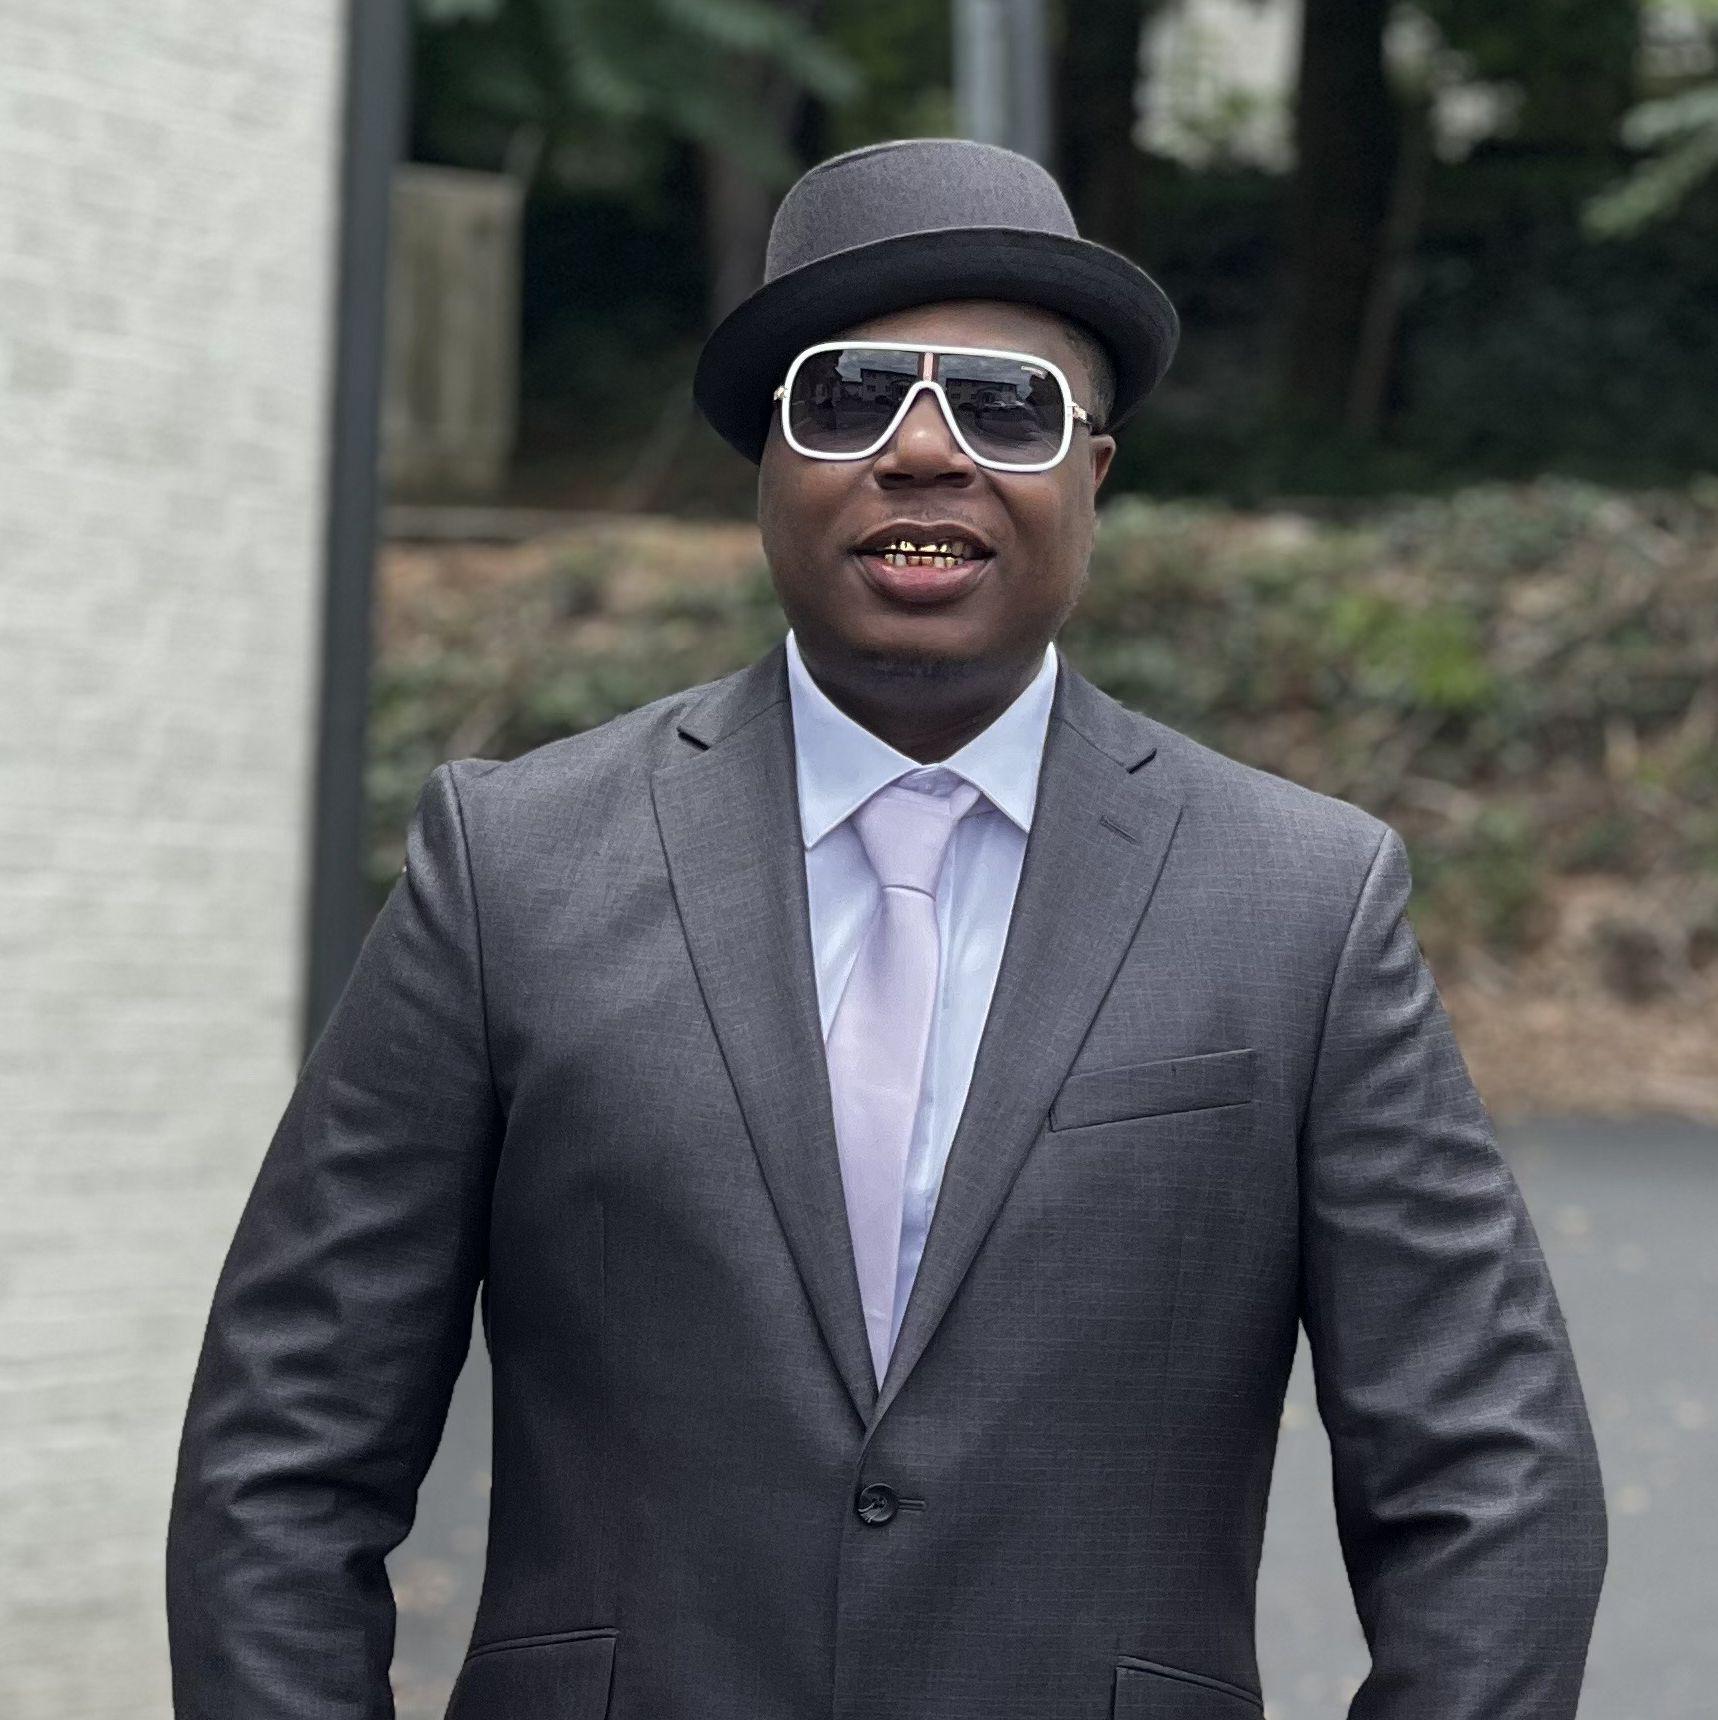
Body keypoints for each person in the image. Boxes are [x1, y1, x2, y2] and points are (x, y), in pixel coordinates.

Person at [166, 137, 1607, 1720]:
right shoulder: (512, 867)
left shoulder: (1301, 902)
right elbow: (283, 1450)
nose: (922, 451)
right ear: (766, 466)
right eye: (848, 399)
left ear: (1092, 474)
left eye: (1004, 407)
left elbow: (1491, 1479)